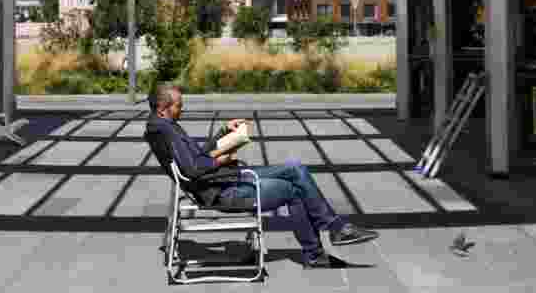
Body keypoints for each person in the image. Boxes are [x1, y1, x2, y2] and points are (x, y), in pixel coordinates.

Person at [145, 82, 378, 269]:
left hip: (226, 178)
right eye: (178, 105)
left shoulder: (165, 126)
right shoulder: (166, 131)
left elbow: (196, 157)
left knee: (297, 168)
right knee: (294, 189)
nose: (182, 109)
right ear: (162, 108)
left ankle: (333, 231)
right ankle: (319, 248)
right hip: (223, 190)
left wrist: (224, 132)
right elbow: (193, 169)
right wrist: (220, 160)